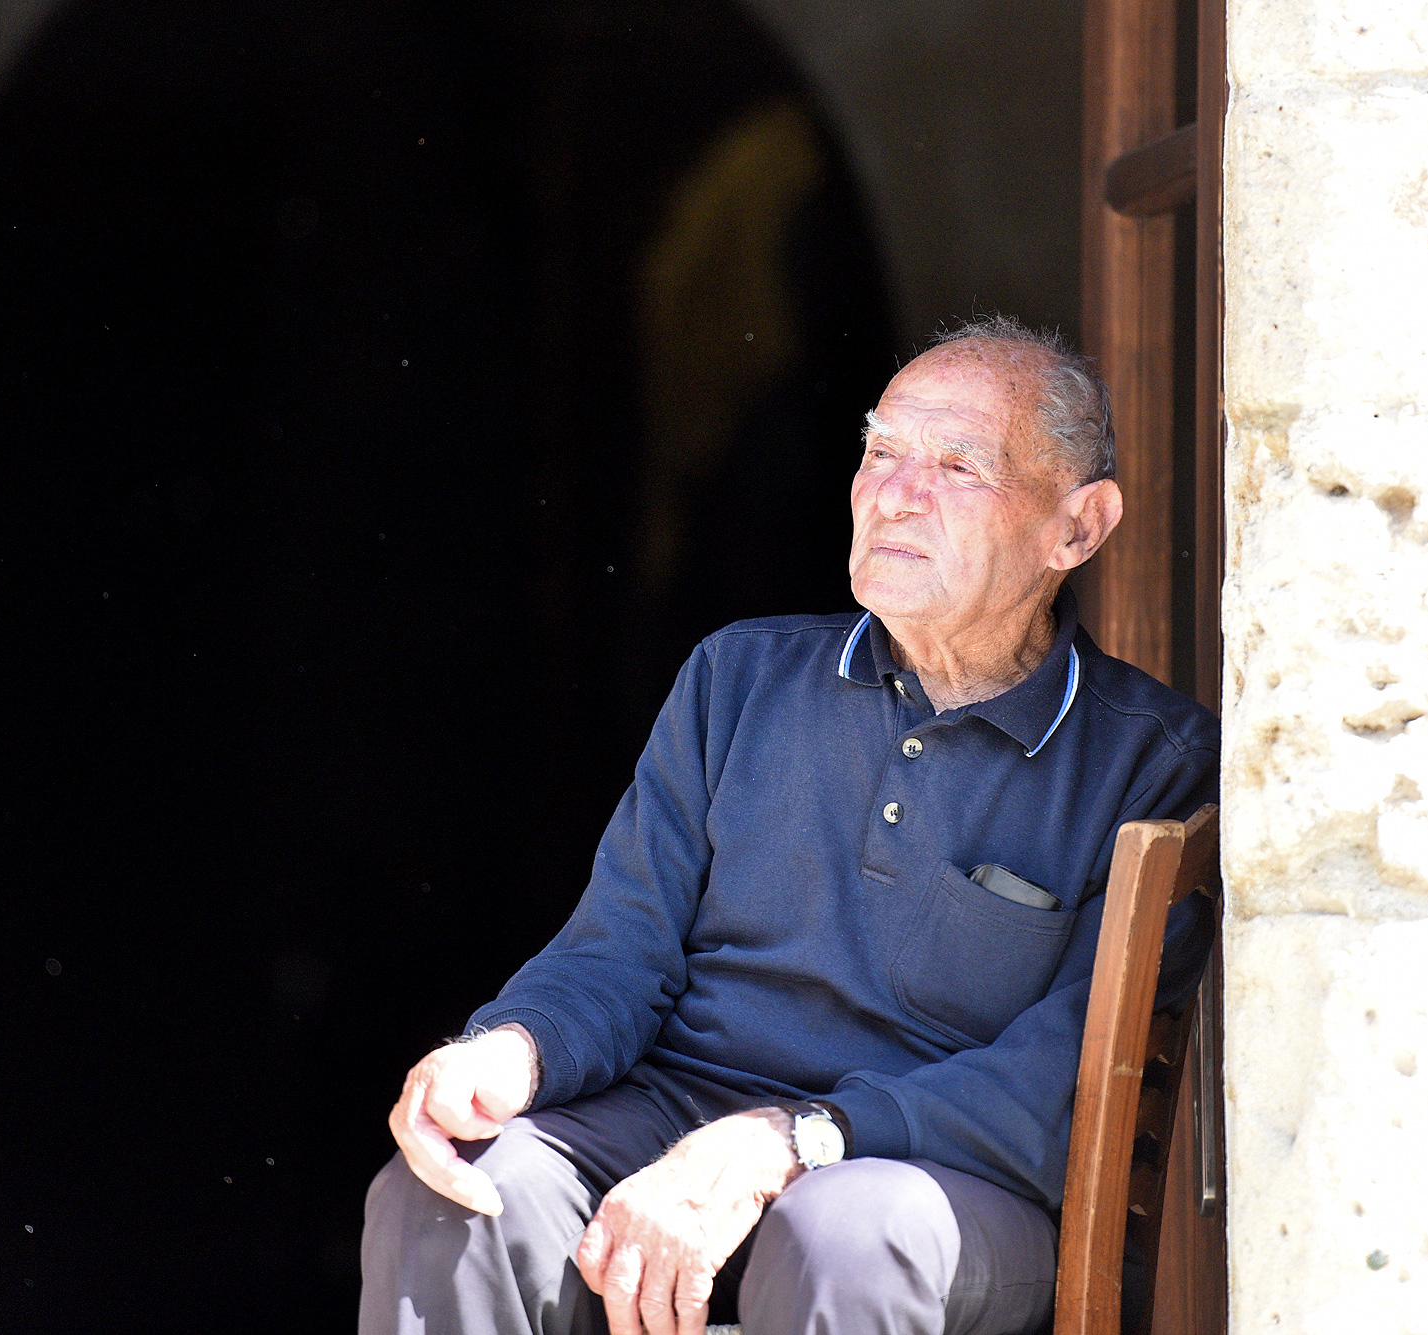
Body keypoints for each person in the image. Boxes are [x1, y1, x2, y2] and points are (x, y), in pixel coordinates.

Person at [359, 315, 1218, 1335]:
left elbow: (1055, 1086)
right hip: (680, 1118)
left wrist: (795, 1139)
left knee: (843, 1233)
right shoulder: (739, 679)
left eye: (954, 466)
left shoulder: (1149, 761)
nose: (895, 494)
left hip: (931, 1177)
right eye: (881, 452)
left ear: (1075, 528)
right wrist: (511, 1052)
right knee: (459, 1190)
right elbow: (615, 957)